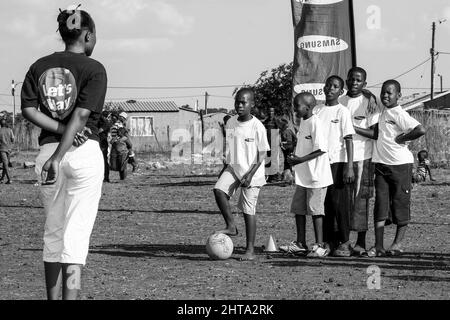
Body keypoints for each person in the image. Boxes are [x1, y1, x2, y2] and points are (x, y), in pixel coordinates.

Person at [21, 6, 107, 300]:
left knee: (53, 232)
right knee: (76, 236)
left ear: (63, 32)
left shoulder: (39, 66)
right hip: (83, 155)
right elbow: (82, 115)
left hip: (46, 155)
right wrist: (63, 152)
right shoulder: (94, 69)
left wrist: (57, 141)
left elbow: (29, 110)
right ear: (88, 35)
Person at [357, 80, 426, 257]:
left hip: (400, 165)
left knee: (400, 203)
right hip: (380, 165)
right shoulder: (381, 110)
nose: (385, 96)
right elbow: (367, 92)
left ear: (399, 96)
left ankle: (397, 243)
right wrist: (369, 94)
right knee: (380, 204)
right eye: (383, 93)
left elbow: (420, 129)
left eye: (390, 93)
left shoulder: (398, 113)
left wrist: (402, 139)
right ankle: (379, 245)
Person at [213, 88, 270, 261]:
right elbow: (231, 148)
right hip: (234, 168)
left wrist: (250, 174)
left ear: (252, 104)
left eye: (243, 102)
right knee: (218, 190)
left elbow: (262, 154)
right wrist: (225, 169)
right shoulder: (230, 122)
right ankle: (231, 226)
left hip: (253, 173)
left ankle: (250, 250)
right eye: (237, 101)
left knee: (247, 210)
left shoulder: (257, 126)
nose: (239, 105)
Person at [279, 93, 333, 257]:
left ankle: (319, 246)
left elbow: (321, 149)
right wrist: (295, 158)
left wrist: (301, 159)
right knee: (299, 209)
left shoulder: (316, 122)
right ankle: (300, 243)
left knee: (315, 210)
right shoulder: (303, 121)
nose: (295, 109)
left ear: (308, 107)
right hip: (303, 176)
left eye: (297, 106)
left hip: (317, 177)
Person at [339, 67, 380, 256]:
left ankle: (361, 242)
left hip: (362, 156)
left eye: (358, 80)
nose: (354, 83)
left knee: (360, 200)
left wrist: (352, 128)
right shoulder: (339, 102)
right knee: (342, 201)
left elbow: (375, 133)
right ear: (346, 81)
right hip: (340, 157)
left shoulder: (369, 103)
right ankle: (343, 241)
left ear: (364, 83)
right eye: (351, 79)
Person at [314, 75, 355, 257]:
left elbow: (348, 140)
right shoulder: (316, 110)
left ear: (341, 91)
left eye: (335, 86)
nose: (330, 88)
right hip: (319, 164)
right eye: (328, 85)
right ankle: (330, 241)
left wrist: (350, 166)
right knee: (325, 204)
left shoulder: (342, 111)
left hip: (338, 163)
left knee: (339, 204)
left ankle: (345, 242)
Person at [277, 117, 297, 184]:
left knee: (287, 161)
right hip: (285, 148)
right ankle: (288, 176)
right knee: (286, 161)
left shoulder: (288, 131)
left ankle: (288, 177)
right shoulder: (284, 131)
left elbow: (291, 140)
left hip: (289, 148)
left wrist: (283, 143)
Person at [263, 107, 280, 182]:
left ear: (274, 112)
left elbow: (281, 129)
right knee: (268, 159)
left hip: (274, 144)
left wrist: (278, 139)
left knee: (274, 160)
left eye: (272, 112)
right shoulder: (266, 121)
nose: (270, 113)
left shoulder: (276, 120)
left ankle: (275, 176)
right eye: (269, 111)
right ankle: (270, 177)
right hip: (267, 144)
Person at [0, 118, 15, 184]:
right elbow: (13, 139)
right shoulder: (10, 130)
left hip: (2, 149)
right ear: (6, 124)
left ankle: (9, 179)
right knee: (5, 164)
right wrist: (10, 147)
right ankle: (2, 179)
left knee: (5, 164)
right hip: (9, 150)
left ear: (0, 124)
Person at [98, 111, 111, 182]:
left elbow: (99, 131)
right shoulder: (101, 122)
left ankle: (106, 177)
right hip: (100, 143)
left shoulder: (106, 123)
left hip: (103, 143)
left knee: (104, 160)